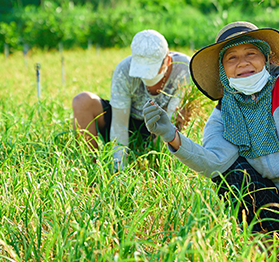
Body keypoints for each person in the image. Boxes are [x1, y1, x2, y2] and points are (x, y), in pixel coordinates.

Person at [142, 21, 279, 232]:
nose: (243, 63)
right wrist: (171, 135)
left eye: (251, 54)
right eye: (232, 58)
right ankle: (274, 241)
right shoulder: (224, 114)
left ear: (266, 59)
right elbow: (214, 163)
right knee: (233, 175)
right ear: (222, 70)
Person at [72, 30, 190, 170]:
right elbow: (119, 125)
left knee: (178, 120)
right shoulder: (124, 70)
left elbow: (173, 118)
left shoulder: (185, 69)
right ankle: (88, 169)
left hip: (160, 126)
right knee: (82, 101)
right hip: (129, 121)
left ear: (168, 61)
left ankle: (161, 167)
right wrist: (118, 170)